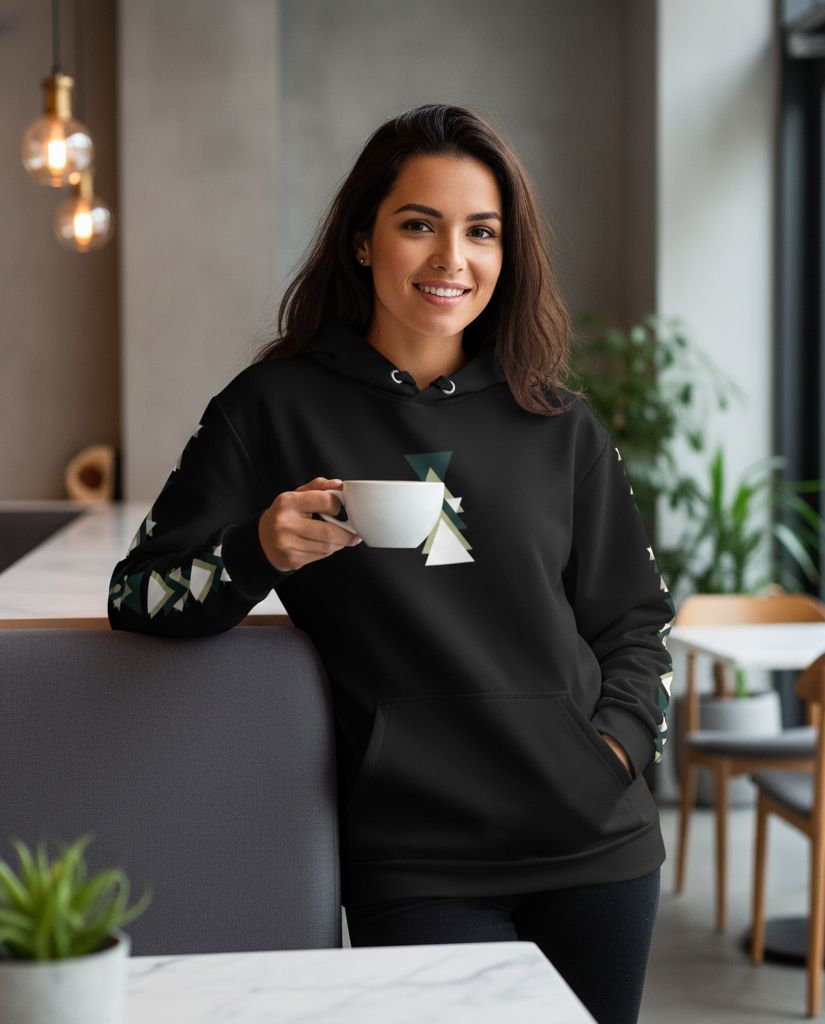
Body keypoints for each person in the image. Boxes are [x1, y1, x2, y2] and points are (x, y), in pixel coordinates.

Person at [108, 104, 674, 1024]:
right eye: (420, 224)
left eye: (481, 232)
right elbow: (139, 595)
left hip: (597, 850)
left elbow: (637, 621)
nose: (453, 258)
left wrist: (611, 752)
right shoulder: (270, 409)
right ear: (365, 241)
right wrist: (257, 548)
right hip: (415, 861)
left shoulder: (560, 424)